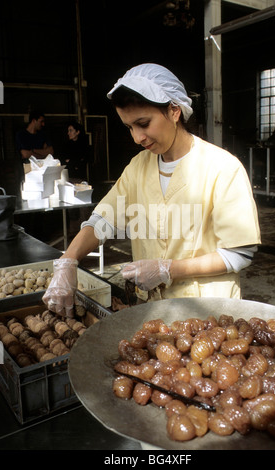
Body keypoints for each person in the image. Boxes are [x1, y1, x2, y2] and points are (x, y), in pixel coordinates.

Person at [43, 63, 261, 317]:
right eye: (129, 127)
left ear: (174, 110)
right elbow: (103, 220)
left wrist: (168, 269)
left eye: (143, 123)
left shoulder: (222, 168)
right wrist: (69, 260)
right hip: (152, 312)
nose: (137, 137)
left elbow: (238, 253)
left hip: (208, 313)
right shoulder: (138, 168)